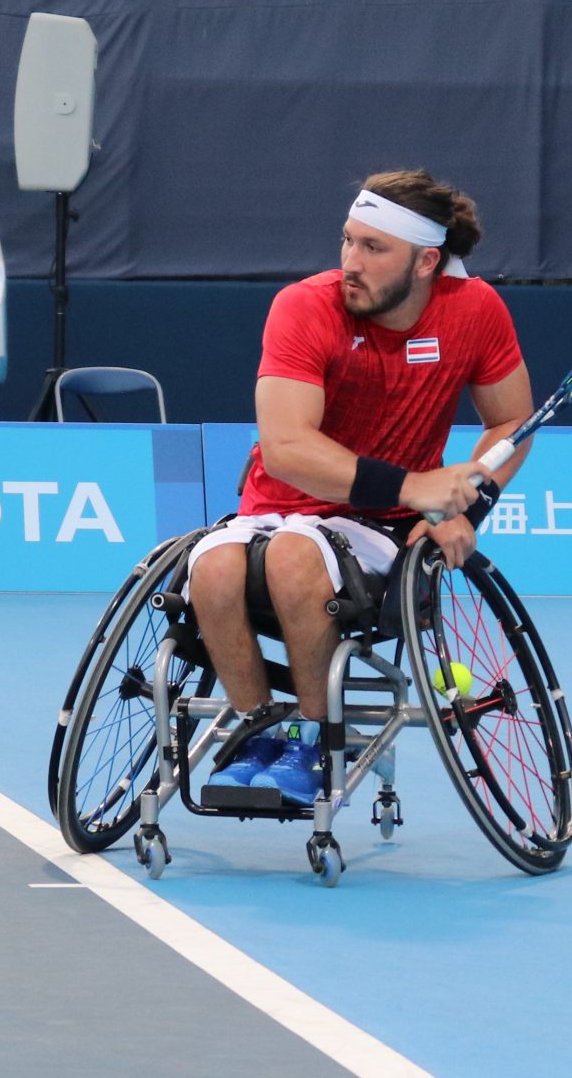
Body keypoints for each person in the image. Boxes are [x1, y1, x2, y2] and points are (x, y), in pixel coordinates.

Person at [186, 169, 535, 808]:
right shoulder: (304, 305)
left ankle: (317, 741)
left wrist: (468, 502)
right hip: (276, 508)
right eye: (348, 241)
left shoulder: (476, 311)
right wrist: (420, 486)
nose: (351, 261)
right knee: (208, 567)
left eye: (373, 248)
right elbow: (288, 448)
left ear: (427, 261)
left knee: (297, 558)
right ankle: (262, 730)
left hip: (377, 527)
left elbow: (510, 420)